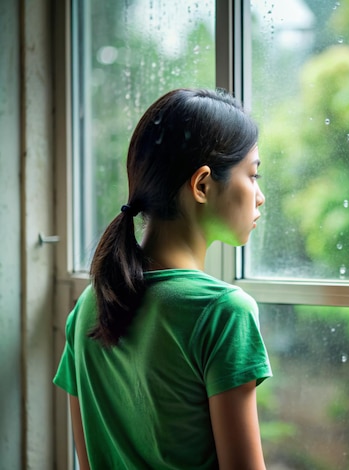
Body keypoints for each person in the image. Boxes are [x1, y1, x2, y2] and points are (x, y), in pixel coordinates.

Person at [53, 88, 272, 469]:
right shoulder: (223, 312)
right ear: (202, 185)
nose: (260, 196)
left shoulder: (92, 302)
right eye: (252, 175)